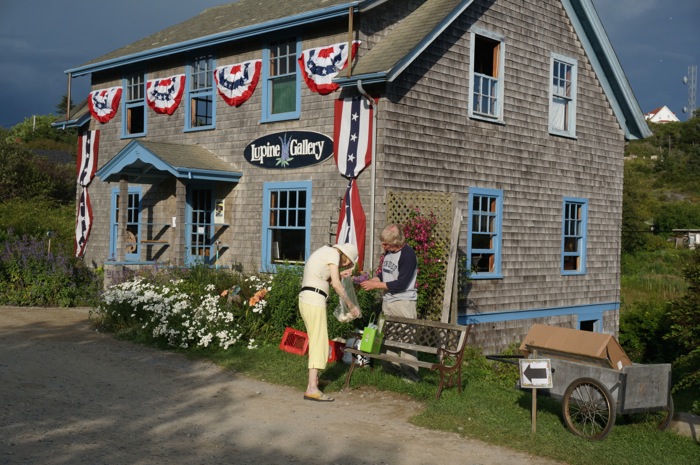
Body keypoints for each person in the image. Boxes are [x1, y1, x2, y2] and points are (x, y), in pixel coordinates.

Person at [299, 242, 360, 402]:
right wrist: (350, 305)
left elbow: (328, 278)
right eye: (348, 262)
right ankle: (312, 388)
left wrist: (339, 275)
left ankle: (315, 380)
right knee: (319, 342)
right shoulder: (333, 254)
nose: (344, 265)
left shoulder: (325, 251)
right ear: (345, 254)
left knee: (315, 340)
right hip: (314, 300)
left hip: (307, 299)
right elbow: (337, 286)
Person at [360, 223, 420, 382]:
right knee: (387, 338)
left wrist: (375, 286)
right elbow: (384, 274)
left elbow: (401, 284)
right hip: (388, 301)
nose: (383, 246)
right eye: (383, 243)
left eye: (386, 243)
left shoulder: (408, 255)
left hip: (403, 303)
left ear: (397, 242)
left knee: (406, 340)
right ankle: (393, 373)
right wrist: (371, 280)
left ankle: (411, 376)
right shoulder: (388, 253)